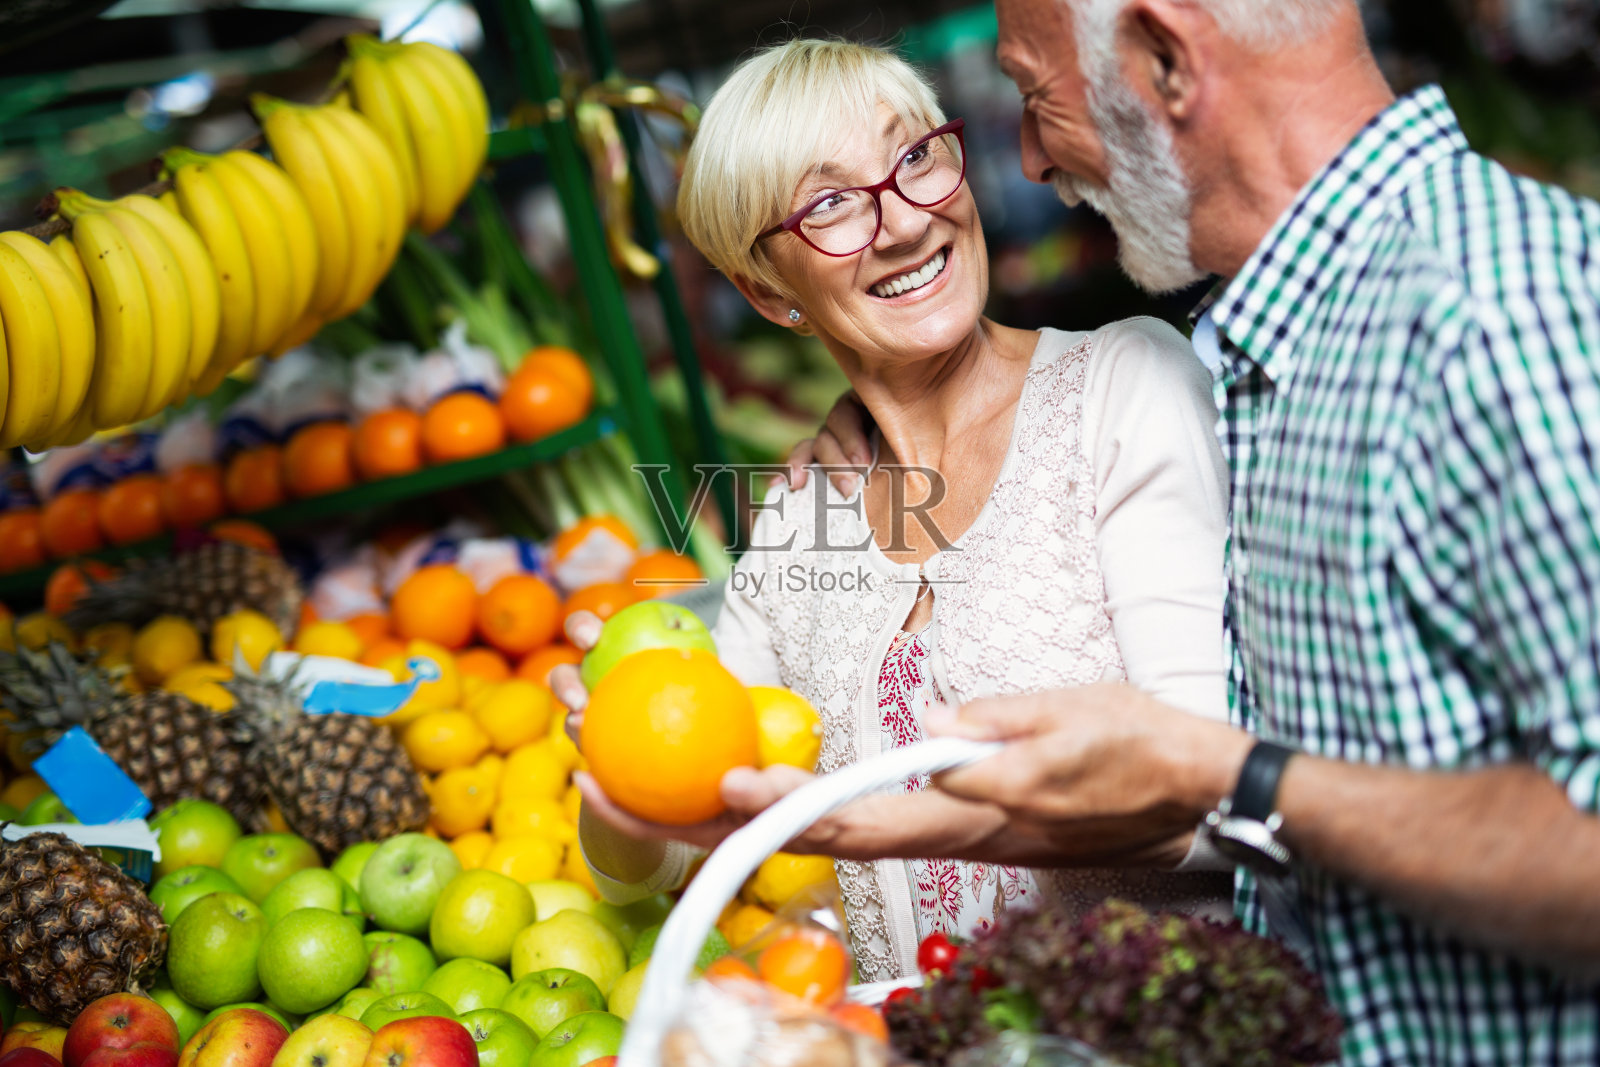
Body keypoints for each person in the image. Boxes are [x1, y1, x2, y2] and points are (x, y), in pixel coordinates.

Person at [805, 0, 1600, 1061]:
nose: (1031, 159)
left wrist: (1226, 773)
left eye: (1036, 96)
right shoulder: (1298, 342)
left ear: (1166, 60)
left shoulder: (1494, 317)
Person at [554, 38, 1235, 983]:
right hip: (928, 1039)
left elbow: (1224, 795)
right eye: (830, 204)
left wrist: (903, 823)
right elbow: (650, 862)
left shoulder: (1122, 393)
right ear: (769, 293)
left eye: (915, 156)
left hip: (1162, 1021)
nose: (907, 222)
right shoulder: (800, 525)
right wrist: (613, 751)